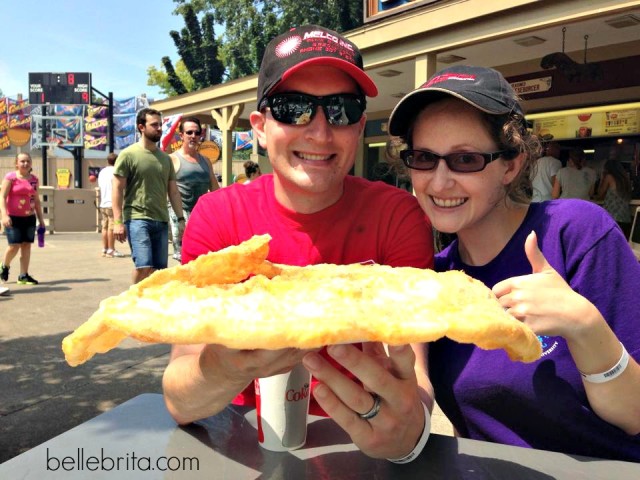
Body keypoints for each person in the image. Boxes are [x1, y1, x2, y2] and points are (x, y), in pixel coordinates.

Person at [162, 24, 435, 461]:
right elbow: (180, 401)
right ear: (260, 127)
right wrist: (227, 366)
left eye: (342, 110)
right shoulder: (219, 217)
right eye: (293, 108)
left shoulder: (397, 215)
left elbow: (415, 372)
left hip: (362, 451)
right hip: (245, 451)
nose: (321, 132)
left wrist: (410, 431)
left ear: (360, 127)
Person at [381, 65, 640, 461]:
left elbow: (635, 415)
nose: (439, 181)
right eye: (424, 158)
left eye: (465, 159)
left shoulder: (577, 234)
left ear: (511, 164)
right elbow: (419, 398)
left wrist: (586, 329)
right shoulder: (434, 283)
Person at [112, 107, 186, 284]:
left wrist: (181, 219)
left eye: (160, 125)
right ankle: (133, 301)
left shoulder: (166, 159)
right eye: (154, 125)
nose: (159, 128)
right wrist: (117, 222)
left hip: (161, 220)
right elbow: (117, 189)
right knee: (144, 265)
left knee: (159, 272)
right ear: (141, 127)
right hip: (137, 219)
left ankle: (151, 306)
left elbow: (173, 192)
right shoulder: (128, 155)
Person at [168, 116, 220, 262]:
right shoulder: (172, 159)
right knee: (184, 259)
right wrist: (179, 219)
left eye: (197, 133)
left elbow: (215, 189)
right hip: (179, 215)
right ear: (181, 135)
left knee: (202, 258)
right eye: (189, 132)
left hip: (201, 216)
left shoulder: (206, 161)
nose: (193, 136)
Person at [0, 152, 45, 285]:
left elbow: (36, 200)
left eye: (28, 161)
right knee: (14, 246)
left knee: (26, 246)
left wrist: (41, 220)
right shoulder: (11, 177)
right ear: (16, 163)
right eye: (22, 161)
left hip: (29, 217)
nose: (25, 163)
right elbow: (2, 197)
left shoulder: (34, 179)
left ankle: (23, 275)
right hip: (13, 218)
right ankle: (5, 266)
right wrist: (4, 215)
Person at [98, 152, 125, 258]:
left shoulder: (102, 172)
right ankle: (111, 249)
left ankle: (104, 249)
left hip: (103, 203)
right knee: (112, 227)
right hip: (112, 203)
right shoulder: (116, 171)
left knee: (104, 227)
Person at [596, 158, 632, 237]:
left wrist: (602, 178)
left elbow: (600, 194)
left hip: (612, 217)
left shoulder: (609, 177)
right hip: (626, 218)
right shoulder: (625, 179)